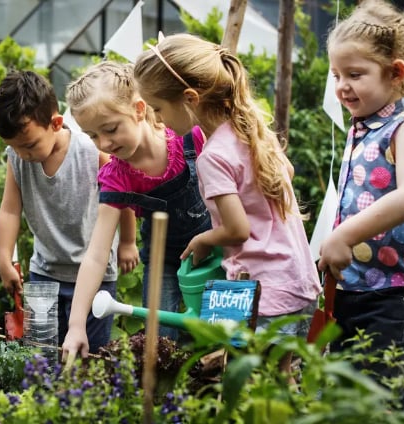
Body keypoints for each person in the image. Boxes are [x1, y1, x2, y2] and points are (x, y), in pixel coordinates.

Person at [133, 33, 321, 377]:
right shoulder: (250, 130)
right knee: (282, 383)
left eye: (158, 108)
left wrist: (203, 239)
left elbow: (237, 229)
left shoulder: (214, 156)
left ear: (190, 98)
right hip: (298, 281)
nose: (157, 120)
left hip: (265, 293)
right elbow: (287, 172)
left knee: (251, 388)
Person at [317, 0, 404, 406]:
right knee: (353, 394)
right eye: (336, 75)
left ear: (396, 73)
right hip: (356, 284)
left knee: (377, 397)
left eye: (354, 75)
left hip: (394, 288)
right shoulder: (361, 128)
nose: (341, 86)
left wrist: (344, 234)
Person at [61, 61, 212, 358]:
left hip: (216, 252)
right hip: (163, 261)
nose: (103, 143)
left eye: (111, 129)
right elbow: (96, 254)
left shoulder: (189, 137)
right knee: (159, 344)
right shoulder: (118, 177)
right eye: (92, 136)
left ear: (140, 109)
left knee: (221, 334)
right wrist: (76, 324)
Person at [0, 70, 137, 354]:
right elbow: (10, 210)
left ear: (56, 123)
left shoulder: (91, 153)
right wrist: (3, 257)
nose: (23, 154)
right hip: (44, 273)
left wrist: (129, 242)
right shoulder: (18, 159)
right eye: (14, 147)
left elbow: (123, 196)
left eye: (30, 145)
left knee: (89, 358)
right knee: (40, 355)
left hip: (96, 276)